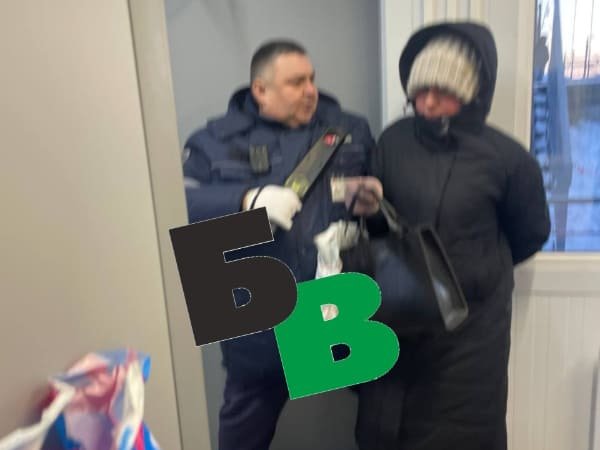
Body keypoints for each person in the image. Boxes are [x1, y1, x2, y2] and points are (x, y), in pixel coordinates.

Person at [354, 22, 551, 450]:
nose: (427, 101)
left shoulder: (508, 160)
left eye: (442, 91)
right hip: (398, 316)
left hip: (471, 333)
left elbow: (531, 233)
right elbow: (379, 224)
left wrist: (472, 269)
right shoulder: (393, 141)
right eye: (420, 90)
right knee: (388, 429)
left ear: (470, 91)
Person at [182, 39, 378, 450]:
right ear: (261, 90)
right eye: (296, 82)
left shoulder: (347, 130)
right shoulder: (213, 141)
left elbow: (380, 203)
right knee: (243, 433)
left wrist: (375, 202)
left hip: (334, 304)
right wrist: (245, 200)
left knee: (382, 412)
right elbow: (173, 207)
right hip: (256, 314)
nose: (311, 90)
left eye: (312, 79)